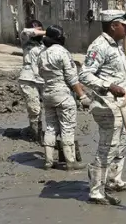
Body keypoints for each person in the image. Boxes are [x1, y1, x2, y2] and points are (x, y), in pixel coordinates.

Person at [80, 10, 126, 206]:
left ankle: (114, 179)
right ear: (113, 25)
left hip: (120, 105)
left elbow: (119, 76)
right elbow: (85, 75)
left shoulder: (116, 46)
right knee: (107, 148)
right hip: (106, 106)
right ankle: (96, 191)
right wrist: (108, 86)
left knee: (121, 143)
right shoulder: (99, 46)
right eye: (125, 25)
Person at [38, 26, 90, 171]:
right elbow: (72, 78)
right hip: (63, 95)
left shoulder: (42, 54)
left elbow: (41, 74)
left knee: (50, 127)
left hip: (47, 94)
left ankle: (48, 161)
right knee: (67, 127)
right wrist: (83, 96)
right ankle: (70, 161)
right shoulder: (63, 52)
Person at [17, 19, 46, 140]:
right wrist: (42, 31)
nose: (37, 32)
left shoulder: (44, 44)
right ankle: (35, 134)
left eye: (39, 28)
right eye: (35, 30)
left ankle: (41, 132)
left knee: (46, 108)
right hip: (28, 78)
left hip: (42, 78)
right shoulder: (25, 40)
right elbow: (26, 31)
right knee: (34, 108)